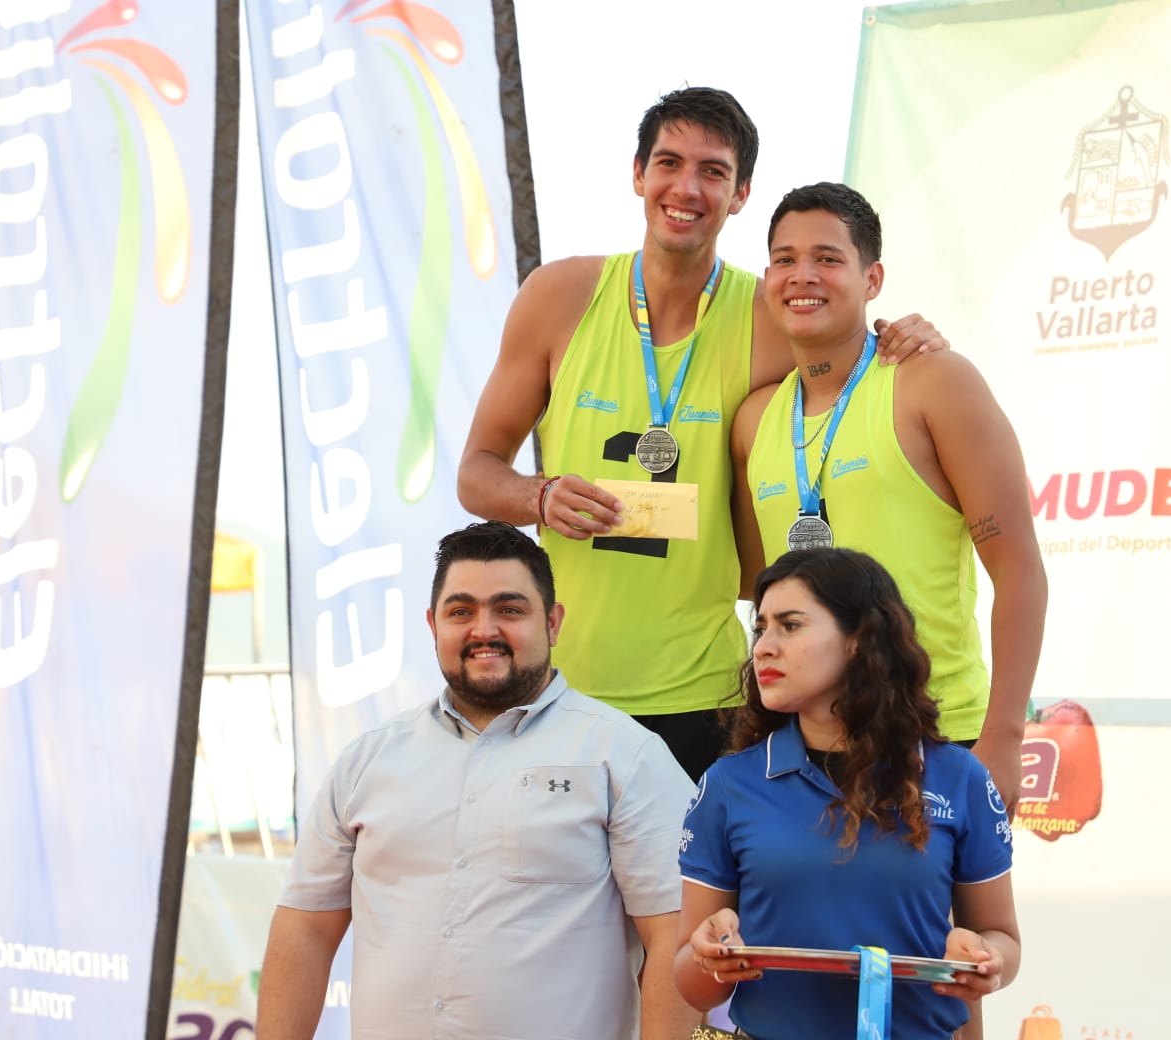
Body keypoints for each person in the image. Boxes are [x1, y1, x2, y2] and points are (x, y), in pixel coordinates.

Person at [458, 87, 950, 782]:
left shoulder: (768, 312)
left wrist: (908, 334)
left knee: (697, 895)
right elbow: (476, 473)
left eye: (713, 171)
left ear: (741, 193)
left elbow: (852, 348)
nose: (686, 187)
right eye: (669, 162)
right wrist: (540, 497)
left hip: (708, 695)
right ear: (638, 174)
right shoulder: (560, 297)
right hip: (565, 686)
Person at [255, 522, 700, 1040]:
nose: (483, 630)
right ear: (433, 625)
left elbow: (676, 934)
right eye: (460, 611)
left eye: (510, 609)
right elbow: (305, 927)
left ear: (553, 623)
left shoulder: (627, 756)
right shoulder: (367, 762)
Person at [732, 183, 1047, 811]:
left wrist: (1004, 737)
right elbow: (752, 583)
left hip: (933, 734)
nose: (803, 276)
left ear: (872, 278)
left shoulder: (933, 382)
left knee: (959, 918)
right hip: (806, 744)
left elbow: (1019, 571)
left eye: (827, 258)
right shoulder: (755, 420)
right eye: (785, 259)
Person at [674, 548, 1019, 1040]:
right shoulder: (728, 785)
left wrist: (986, 959)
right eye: (761, 628)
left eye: (790, 626)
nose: (764, 647)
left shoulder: (958, 776)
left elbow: (1003, 938)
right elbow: (692, 984)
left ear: (860, 639)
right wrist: (709, 958)